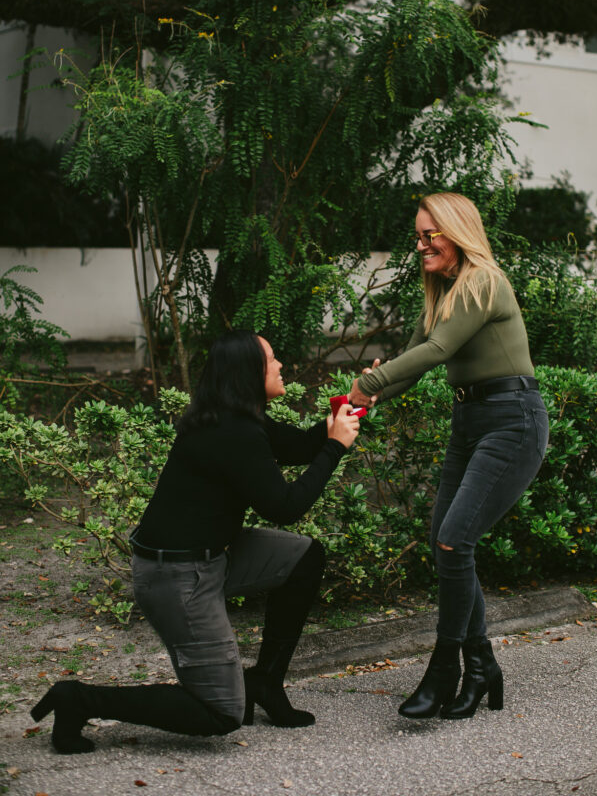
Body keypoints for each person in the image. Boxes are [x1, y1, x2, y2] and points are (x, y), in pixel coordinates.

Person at [32, 330, 360, 754]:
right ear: (248, 372)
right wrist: (334, 448)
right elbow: (284, 507)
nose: (281, 366)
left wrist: (354, 404)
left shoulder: (237, 418)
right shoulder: (233, 432)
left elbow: (297, 446)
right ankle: (79, 699)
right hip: (178, 579)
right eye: (273, 360)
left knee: (304, 557)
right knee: (220, 713)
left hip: (209, 559)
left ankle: (264, 682)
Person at [349, 192, 549, 721]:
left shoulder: (484, 280)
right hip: (471, 422)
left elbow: (436, 352)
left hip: (512, 420)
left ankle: (444, 671)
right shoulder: (441, 292)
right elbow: (412, 368)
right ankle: (481, 666)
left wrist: (369, 380)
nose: (420, 246)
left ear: (456, 232)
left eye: (428, 235)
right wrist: (358, 404)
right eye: (417, 236)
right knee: (449, 544)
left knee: (452, 539)